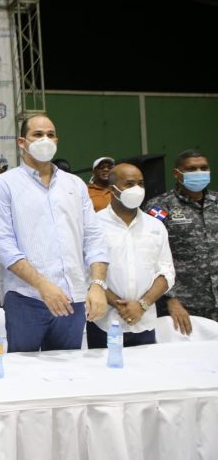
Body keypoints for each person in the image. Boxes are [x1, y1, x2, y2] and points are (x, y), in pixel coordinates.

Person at [0, 115, 109, 352]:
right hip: (26, 298)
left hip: (73, 297)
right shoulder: (4, 184)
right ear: (22, 142)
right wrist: (43, 286)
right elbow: (4, 246)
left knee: (67, 368)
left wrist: (97, 284)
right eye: (38, 134)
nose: (45, 139)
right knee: (24, 369)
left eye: (50, 135)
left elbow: (94, 238)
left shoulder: (75, 184)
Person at [88, 164, 174, 348]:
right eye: (129, 184)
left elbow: (167, 272)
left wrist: (142, 305)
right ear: (112, 190)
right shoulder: (94, 225)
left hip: (144, 322)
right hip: (104, 323)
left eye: (140, 184)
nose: (137, 189)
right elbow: (86, 274)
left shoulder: (155, 226)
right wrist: (119, 305)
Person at [144, 149, 217, 331]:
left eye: (203, 168)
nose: (199, 172)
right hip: (183, 306)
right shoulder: (160, 208)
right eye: (191, 169)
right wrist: (170, 299)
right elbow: (149, 257)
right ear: (177, 174)